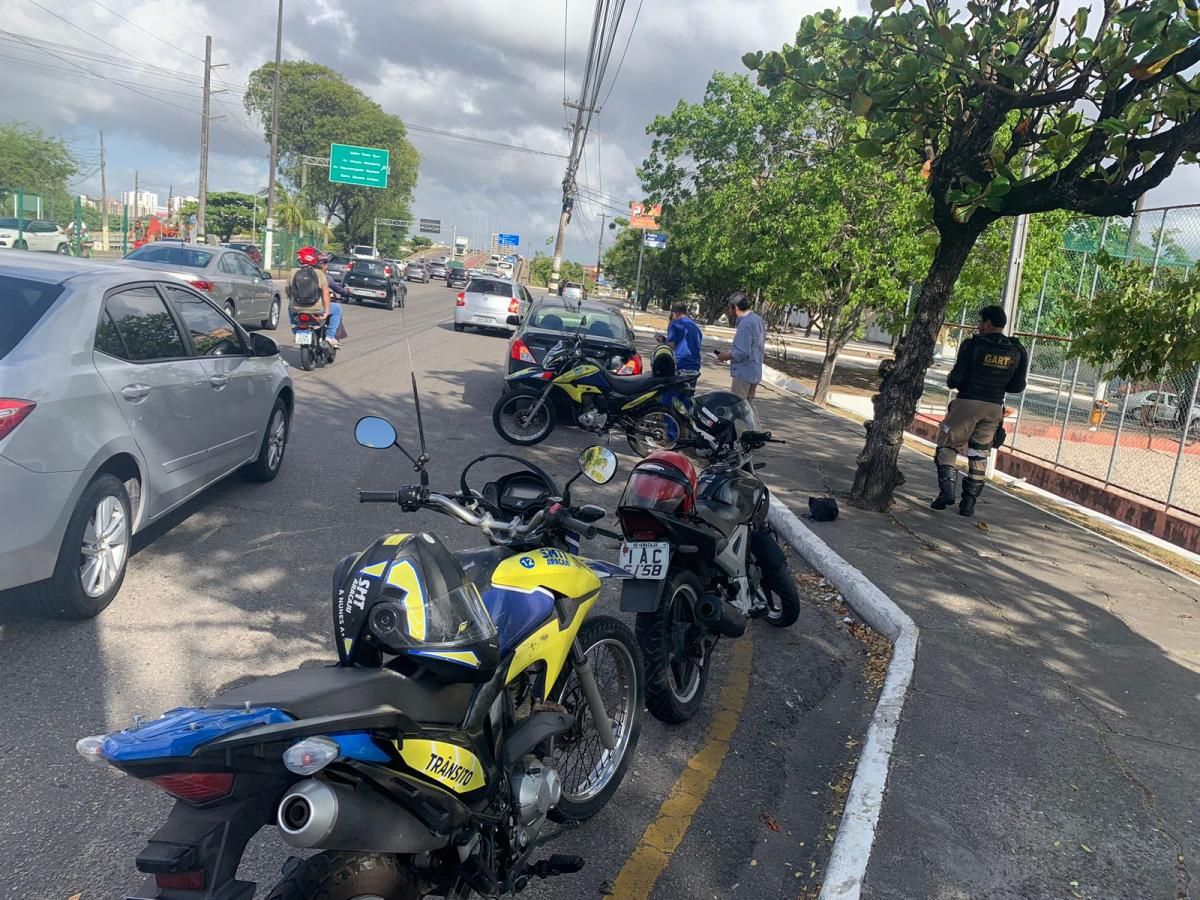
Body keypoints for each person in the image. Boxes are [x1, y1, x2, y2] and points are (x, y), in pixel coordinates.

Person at [931, 304, 1029, 517]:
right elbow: (1017, 386)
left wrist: (954, 380)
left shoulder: (972, 345)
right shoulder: (1017, 350)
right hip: (994, 408)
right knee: (979, 453)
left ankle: (947, 492)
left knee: (947, 446)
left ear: (988, 323)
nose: (978, 326)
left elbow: (956, 379)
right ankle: (968, 504)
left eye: (980, 322)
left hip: (967, 402)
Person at [288, 246, 341, 348]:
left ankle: (296, 330)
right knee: (337, 309)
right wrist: (326, 311)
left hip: (297, 309)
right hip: (316, 309)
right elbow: (325, 293)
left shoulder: (293, 272)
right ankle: (330, 337)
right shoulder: (319, 273)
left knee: (290, 307)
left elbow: (288, 291)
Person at [717, 291, 765, 402]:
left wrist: (725, 356)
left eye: (730, 308)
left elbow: (743, 352)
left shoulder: (745, 324)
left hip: (743, 373)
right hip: (754, 371)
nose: (729, 311)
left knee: (738, 406)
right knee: (748, 406)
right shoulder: (758, 320)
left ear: (735, 307)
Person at [661, 301, 703, 376]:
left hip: (680, 364)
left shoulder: (675, 324)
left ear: (674, 313)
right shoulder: (696, 328)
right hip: (694, 366)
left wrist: (663, 341)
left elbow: (670, 346)